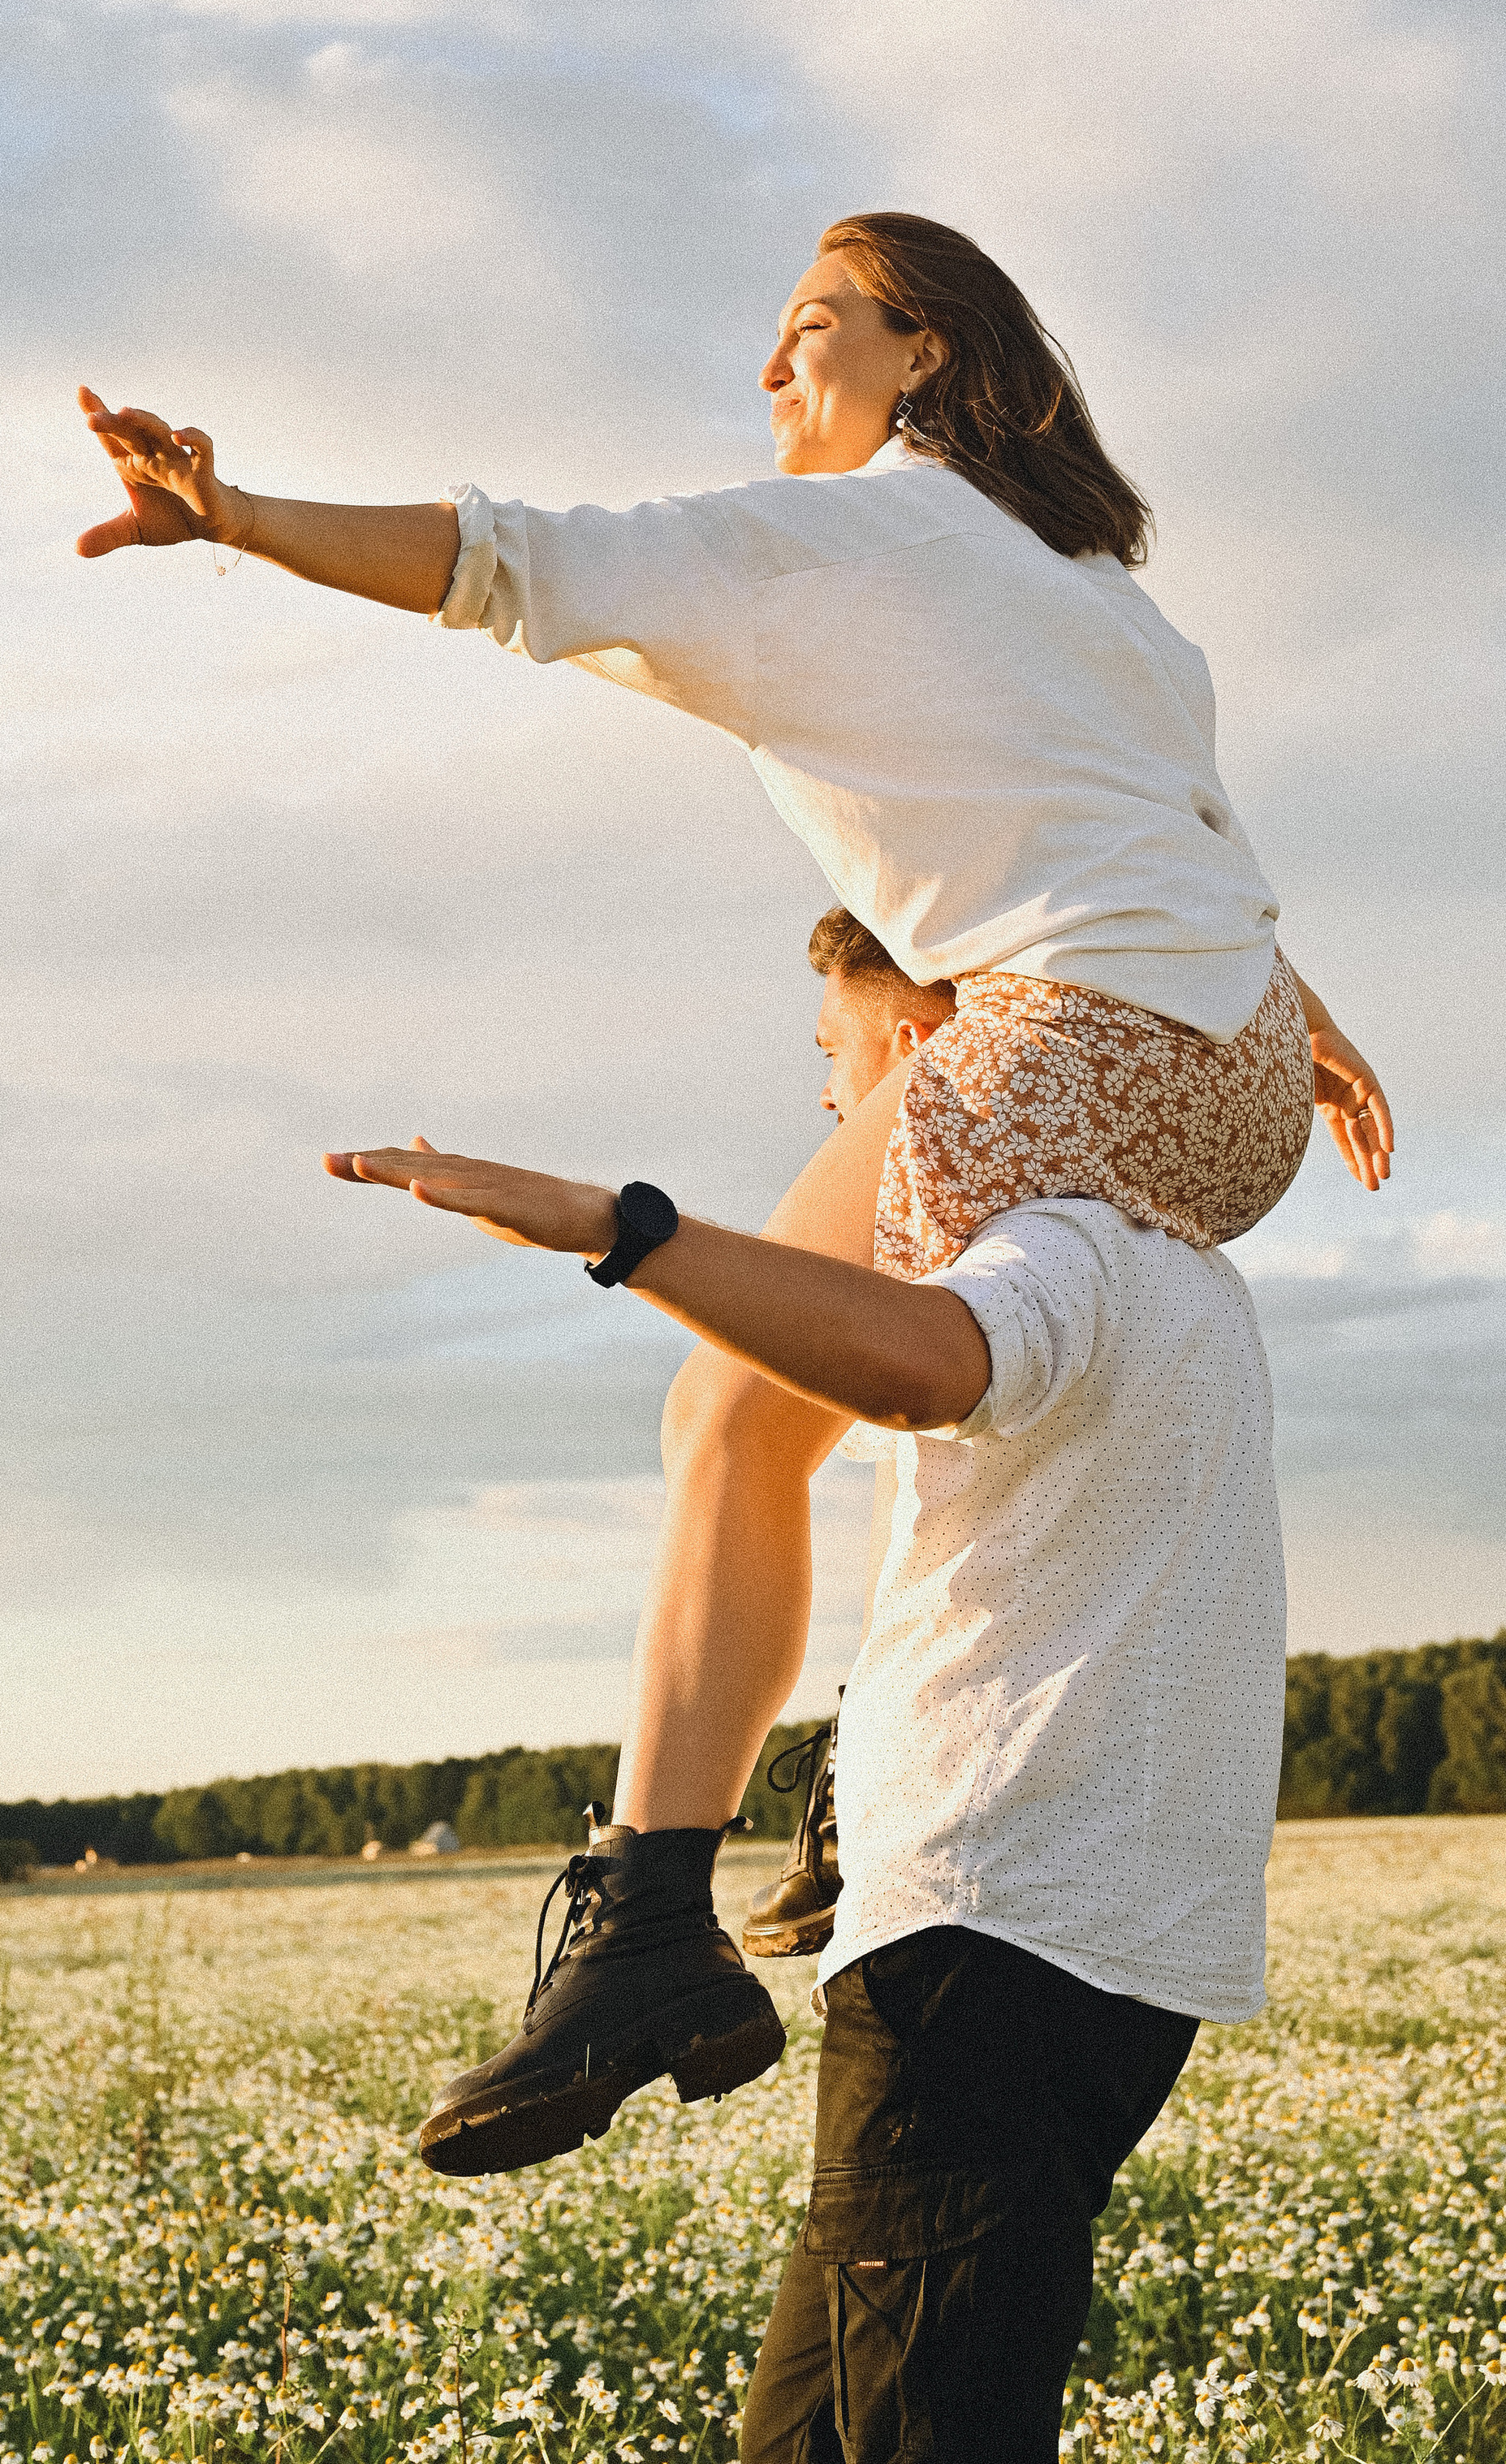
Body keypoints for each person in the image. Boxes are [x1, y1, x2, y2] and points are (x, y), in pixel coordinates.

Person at [78, 210, 1390, 2114]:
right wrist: (1302, 1022)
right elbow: (1167, 830)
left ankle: (650, 1933)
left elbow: (505, 561)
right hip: (1237, 1071)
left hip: (1084, 1044)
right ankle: (855, 1806)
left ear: (922, 353)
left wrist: (246, 514)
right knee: (894, 1416)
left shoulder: (838, 536)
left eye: (809, 329)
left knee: (733, 1418)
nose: (771, 370)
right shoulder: (1099, 586)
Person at [326, 901, 1292, 2463]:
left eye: (837, 1058)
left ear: (928, 1051)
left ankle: (652, 1915)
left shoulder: (1059, 1248)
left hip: (984, 1951)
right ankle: (778, 1845)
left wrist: (617, 1230)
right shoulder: (1195, 1287)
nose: (834, 1112)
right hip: (1110, 1958)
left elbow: (918, 1358)